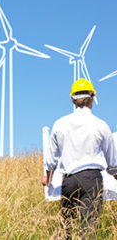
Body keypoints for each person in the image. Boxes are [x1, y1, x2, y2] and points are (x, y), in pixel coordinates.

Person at [42, 78, 117, 239]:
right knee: (88, 229)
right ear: (92, 99)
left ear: (72, 100)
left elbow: (51, 160)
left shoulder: (60, 124)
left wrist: (47, 181)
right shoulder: (101, 125)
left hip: (68, 181)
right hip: (92, 180)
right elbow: (113, 164)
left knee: (66, 229)